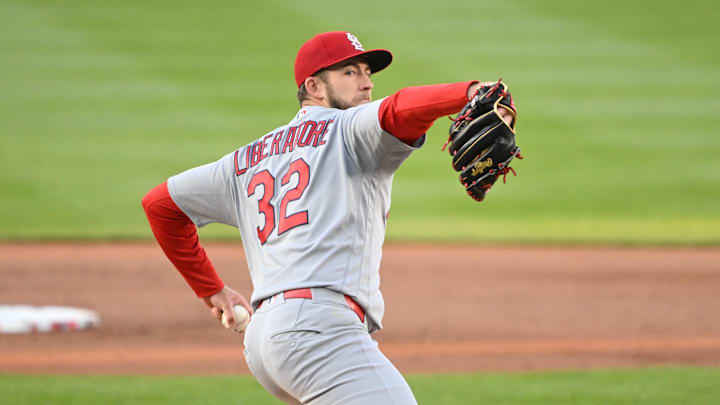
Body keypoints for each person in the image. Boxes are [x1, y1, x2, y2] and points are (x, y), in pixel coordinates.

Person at [142, 31, 515, 405]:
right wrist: (469, 92)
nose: (367, 83)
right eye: (350, 73)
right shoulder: (348, 129)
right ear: (314, 86)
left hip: (263, 341)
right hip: (317, 329)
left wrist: (212, 290)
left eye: (367, 72)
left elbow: (160, 205)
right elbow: (400, 107)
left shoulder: (246, 160)